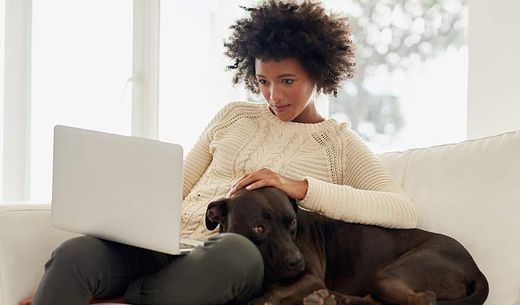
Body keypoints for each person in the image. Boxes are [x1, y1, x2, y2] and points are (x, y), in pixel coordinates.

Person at [31, 1, 416, 305]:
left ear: (319, 74)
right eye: (263, 81)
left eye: (287, 82)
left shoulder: (337, 144)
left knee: (235, 252)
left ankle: (122, 294)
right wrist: (127, 218)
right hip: (165, 247)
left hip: (226, 262)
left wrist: (299, 187)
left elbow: (401, 210)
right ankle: (137, 287)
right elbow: (177, 184)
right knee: (75, 255)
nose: (274, 96)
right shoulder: (233, 116)